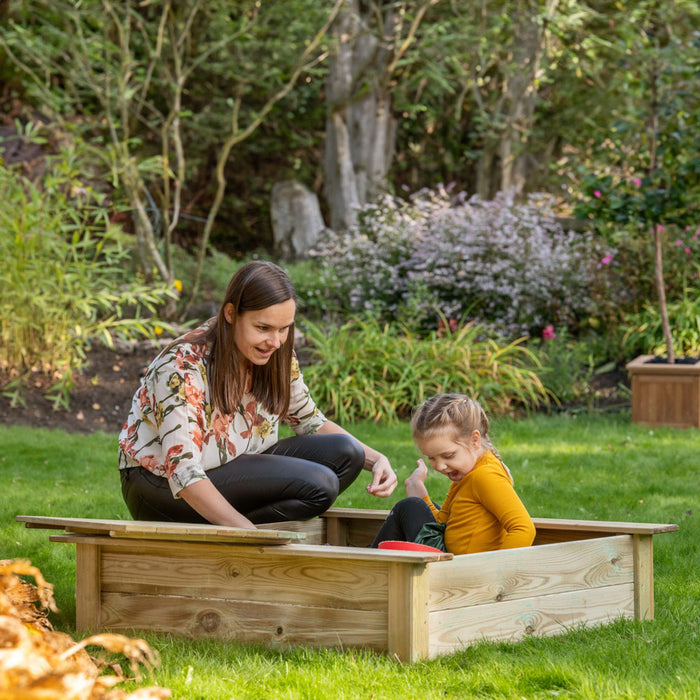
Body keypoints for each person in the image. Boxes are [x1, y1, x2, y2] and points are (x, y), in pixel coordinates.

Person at [118, 260, 397, 528]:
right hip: (159, 488)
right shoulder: (182, 367)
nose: (275, 342)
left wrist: (376, 460)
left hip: (232, 464)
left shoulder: (275, 353)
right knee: (319, 484)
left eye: (283, 328)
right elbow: (183, 472)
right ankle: (246, 534)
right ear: (230, 314)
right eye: (263, 328)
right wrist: (248, 533)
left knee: (347, 453)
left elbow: (310, 421)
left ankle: (237, 528)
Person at [371, 393, 535, 554]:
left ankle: (368, 564)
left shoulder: (485, 476)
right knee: (417, 505)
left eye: (448, 455)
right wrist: (419, 492)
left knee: (409, 507)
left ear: (474, 440)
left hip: (465, 573)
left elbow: (523, 528)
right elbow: (442, 523)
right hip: (453, 562)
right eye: (432, 458)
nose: (440, 466)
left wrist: (496, 573)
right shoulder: (466, 475)